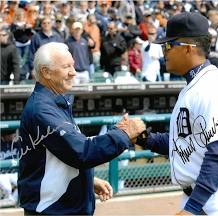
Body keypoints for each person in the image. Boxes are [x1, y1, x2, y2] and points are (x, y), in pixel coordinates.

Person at [131, 12, 218, 215]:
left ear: (189, 47)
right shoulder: (194, 87)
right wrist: (142, 138)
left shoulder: (214, 86)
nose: (164, 52)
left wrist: (193, 207)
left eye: (168, 45)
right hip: (201, 195)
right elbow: (184, 143)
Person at [17, 42, 145, 215]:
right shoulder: (42, 109)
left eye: (73, 65)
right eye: (66, 67)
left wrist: (86, 179)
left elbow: (62, 154)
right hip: (52, 211)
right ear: (46, 72)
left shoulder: (56, 103)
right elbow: (82, 152)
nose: (73, 72)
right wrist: (124, 134)